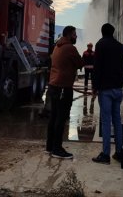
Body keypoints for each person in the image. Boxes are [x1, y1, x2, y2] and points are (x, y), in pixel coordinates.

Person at [90, 23, 123, 167]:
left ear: (102, 32)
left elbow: (97, 67)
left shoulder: (100, 45)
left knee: (106, 122)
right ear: (113, 32)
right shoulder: (120, 47)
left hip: (105, 89)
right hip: (118, 88)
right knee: (117, 120)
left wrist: (95, 86)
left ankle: (105, 154)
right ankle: (119, 151)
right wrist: (120, 83)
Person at [46, 25, 83, 159]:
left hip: (53, 86)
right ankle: (57, 149)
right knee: (61, 118)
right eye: (74, 34)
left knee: (54, 117)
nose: (76, 36)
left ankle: (49, 146)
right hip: (63, 87)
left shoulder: (57, 46)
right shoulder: (70, 48)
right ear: (68, 35)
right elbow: (80, 63)